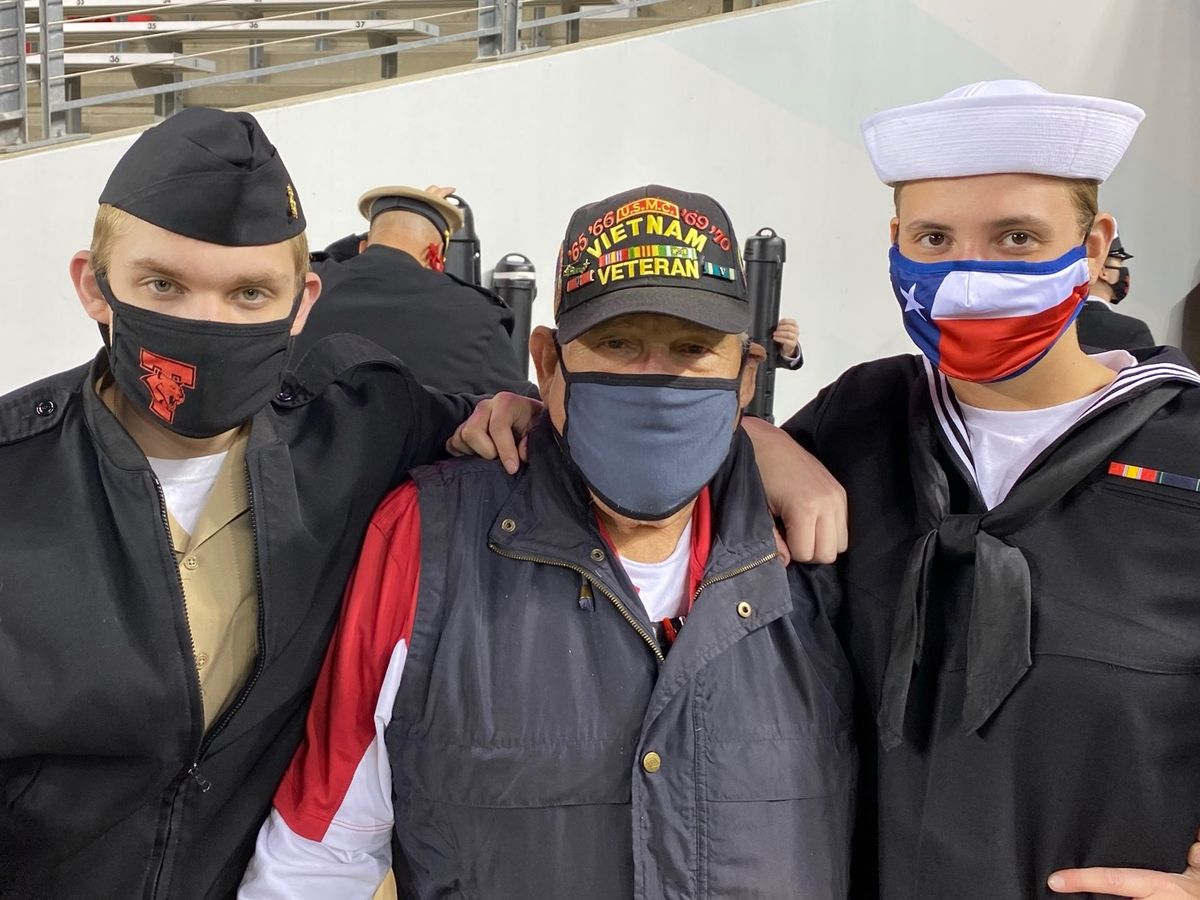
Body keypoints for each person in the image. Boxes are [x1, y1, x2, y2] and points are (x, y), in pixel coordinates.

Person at [239, 185, 857, 899]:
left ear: (745, 376)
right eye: (618, 344)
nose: (656, 382)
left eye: (693, 350)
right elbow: (320, 854)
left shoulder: (823, 557)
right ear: (548, 363)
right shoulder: (426, 539)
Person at [0, 108, 548, 900]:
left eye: (249, 293)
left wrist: (512, 412)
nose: (206, 322)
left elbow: (503, 424)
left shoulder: (361, 432)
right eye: (163, 285)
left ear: (301, 303)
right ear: (94, 285)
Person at [783, 81, 1200, 898]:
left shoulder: (1184, 447)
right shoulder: (855, 421)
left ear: (1093, 247)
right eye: (934, 238)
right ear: (895, 242)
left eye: (1016, 237)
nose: (970, 277)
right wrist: (758, 443)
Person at [290, 185, 537, 396]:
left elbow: (324, 256)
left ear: (362, 246)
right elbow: (516, 407)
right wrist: (422, 212)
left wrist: (399, 219)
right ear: (435, 256)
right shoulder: (478, 314)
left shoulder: (308, 286)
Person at [1075, 232, 1155, 350]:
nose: (1123, 271)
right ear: (1103, 271)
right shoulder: (1132, 331)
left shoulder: (1057, 326)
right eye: (1120, 264)